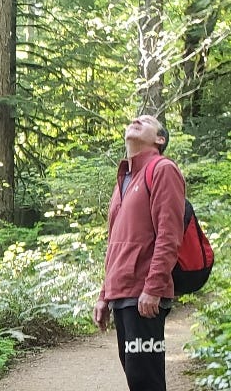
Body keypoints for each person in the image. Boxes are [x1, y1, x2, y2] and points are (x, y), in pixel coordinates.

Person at [93, 114, 186, 391]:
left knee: (146, 381)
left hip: (144, 296)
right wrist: (104, 295)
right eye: (134, 118)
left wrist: (154, 287)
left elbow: (170, 235)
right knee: (137, 379)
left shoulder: (162, 169)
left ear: (160, 139)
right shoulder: (124, 178)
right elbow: (116, 244)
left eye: (146, 121)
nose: (136, 120)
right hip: (122, 294)